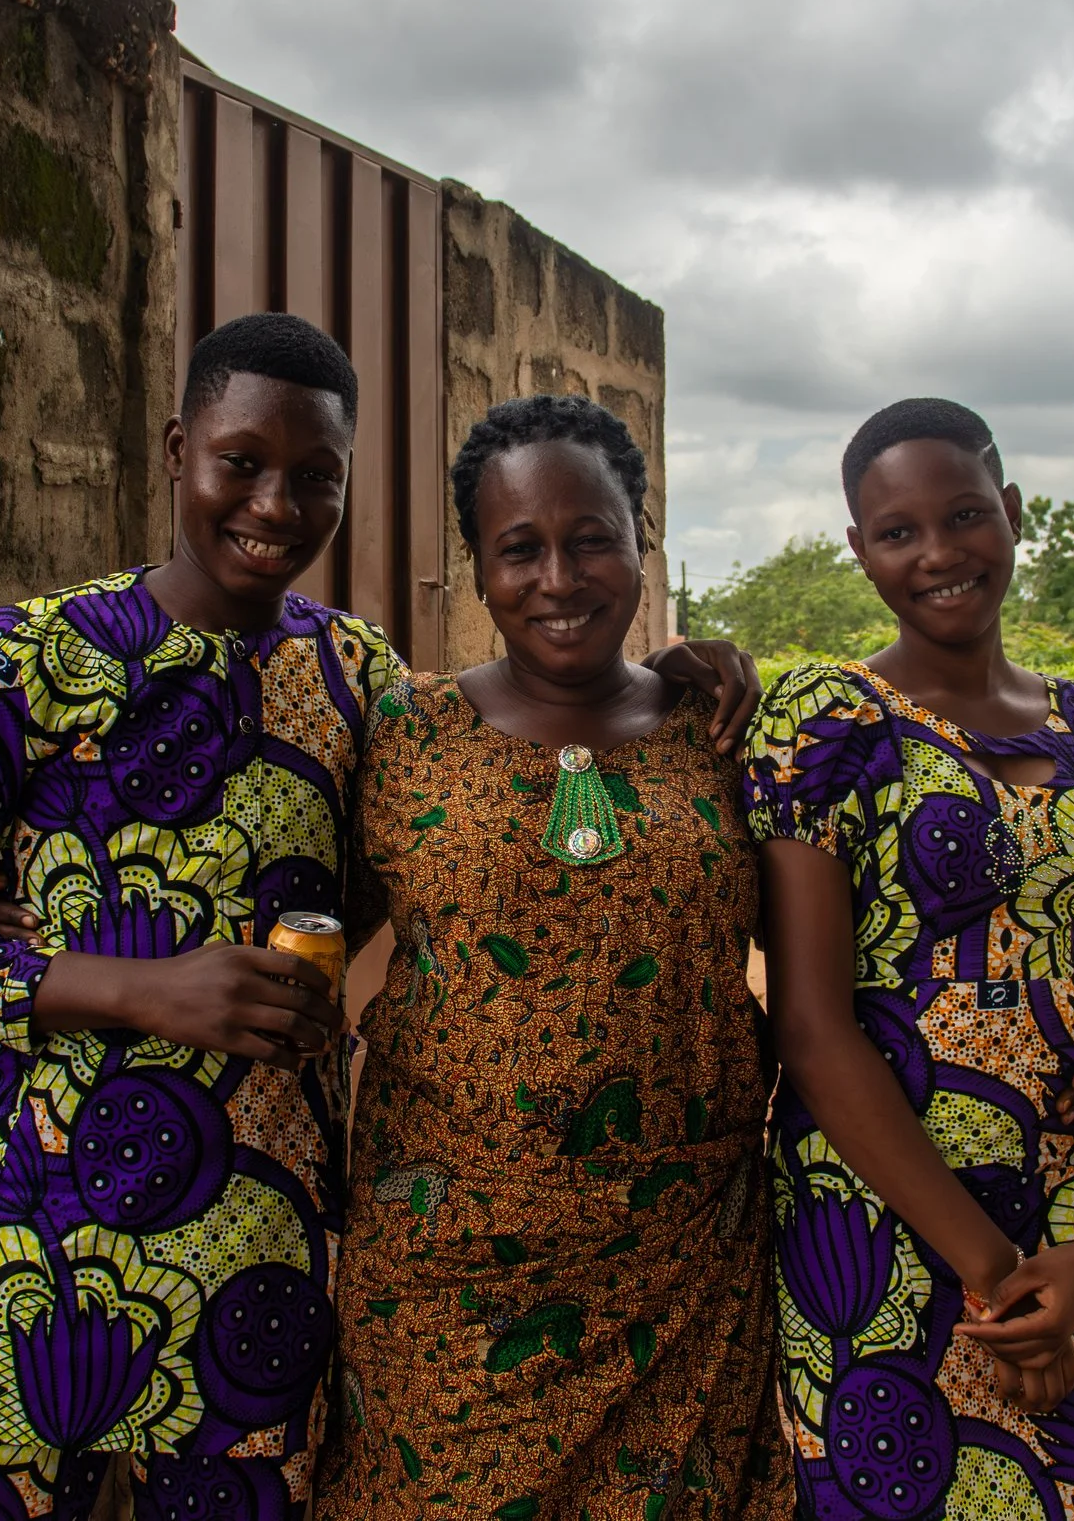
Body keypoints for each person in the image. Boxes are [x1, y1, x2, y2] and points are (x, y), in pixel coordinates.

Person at [0, 313, 763, 1521]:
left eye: (315, 477)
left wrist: (680, 671)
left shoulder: (359, 682)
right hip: (26, 1245)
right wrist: (132, 985)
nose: (275, 503)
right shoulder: (20, 659)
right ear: (181, 447)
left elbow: (482, 809)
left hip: (260, 1265)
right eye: (241, 461)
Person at [314, 397, 792, 1521]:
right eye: (518, 548)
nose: (559, 577)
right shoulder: (404, 733)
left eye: (591, 538)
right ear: (478, 569)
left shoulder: (722, 733)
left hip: (683, 1260)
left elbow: (846, 944)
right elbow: (302, 929)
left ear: (642, 541)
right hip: (445, 1267)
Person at [743, 398, 1074, 1520]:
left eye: (964, 515)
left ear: (1016, 513)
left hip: (1053, 1221)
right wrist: (987, 1269)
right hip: (874, 1217)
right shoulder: (826, 723)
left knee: (1049, 1488)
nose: (938, 553)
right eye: (897, 532)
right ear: (859, 551)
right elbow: (810, 1022)